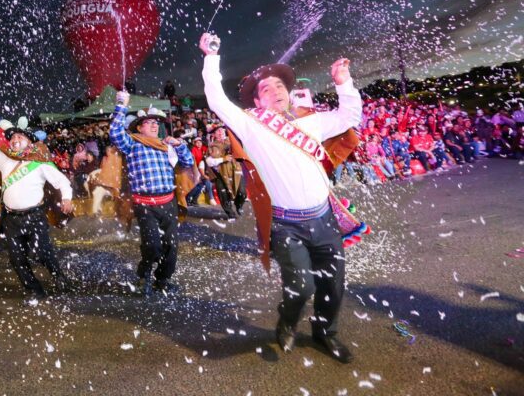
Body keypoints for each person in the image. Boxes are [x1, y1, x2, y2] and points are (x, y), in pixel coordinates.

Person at [200, 31, 362, 363]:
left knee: (333, 286)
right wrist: (211, 57)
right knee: (301, 288)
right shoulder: (249, 125)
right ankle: (286, 324)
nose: (275, 92)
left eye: (279, 87)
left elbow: (349, 118)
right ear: (256, 102)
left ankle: (324, 333)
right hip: (286, 226)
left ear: (288, 94)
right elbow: (216, 99)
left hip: (323, 219)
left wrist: (343, 82)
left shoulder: (311, 123)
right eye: (266, 89)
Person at [0, 112, 74, 301]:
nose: (14, 140)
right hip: (11, 219)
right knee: (16, 259)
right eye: (12, 137)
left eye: (20, 136)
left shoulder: (39, 163)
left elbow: (62, 182)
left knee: (41, 252)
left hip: (35, 216)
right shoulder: (5, 160)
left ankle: (58, 275)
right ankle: (35, 290)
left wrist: (67, 198)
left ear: (29, 141)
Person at [110, 93, 194, 296]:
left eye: (156, 123)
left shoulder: (166, 146)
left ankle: (163, 280)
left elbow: (188, 163)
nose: (155, 126)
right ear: (139, 128)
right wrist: (122, 104)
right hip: (145, 205)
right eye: (149, 123)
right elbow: (114, 133)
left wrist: (180, 145)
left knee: (171, 247)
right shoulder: (132, 144)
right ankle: (144, 275)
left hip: (168, 202)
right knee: (153, 246)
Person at [205, 126, 246, 219]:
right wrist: (223, 159)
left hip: (236, 171)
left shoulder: (232, 141)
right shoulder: (212, 146)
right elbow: (209, 162)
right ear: (214, 134)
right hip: (220, 173)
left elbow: (241, 151)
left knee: (242, 193)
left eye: (222, 130)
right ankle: (230, 213)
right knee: (223, 194)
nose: (220, 132)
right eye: (217, 131)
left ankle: (239, 205)